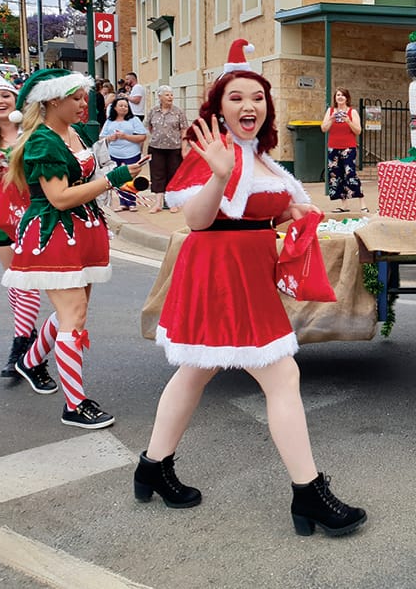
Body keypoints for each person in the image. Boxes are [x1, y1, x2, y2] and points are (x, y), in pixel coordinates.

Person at [134, 68, 367, 537]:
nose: (249, 105)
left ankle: (152, 467)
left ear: (267, 107)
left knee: (196, 370)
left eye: (257, 97)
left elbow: (259, 210)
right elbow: (198, 220)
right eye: (236, 97)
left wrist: (292, 211)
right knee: (281, 373)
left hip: (246, 273)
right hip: (220, 274)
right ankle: (309, 494)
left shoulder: (259, 155)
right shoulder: (213, 152)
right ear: (219, 106)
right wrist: (219, 175)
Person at [2, 68, 144, 429]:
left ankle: (31, 360)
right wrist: (113, 179)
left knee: (74, 313)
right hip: (54, 232)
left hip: (82, 230)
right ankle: (74, 405)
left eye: (84, 97)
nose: (85, 104)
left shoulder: (76, 133)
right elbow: (60, 198)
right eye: (77, 98)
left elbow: (83, 183)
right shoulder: (41, 142)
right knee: (74, 316)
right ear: (52, 100)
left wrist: (121, 181)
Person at [0, 74, 42, 379]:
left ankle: (20, 348)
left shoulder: (32, 132)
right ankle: (28, 339)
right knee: (14, 281)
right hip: (1, 218)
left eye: (5, 95)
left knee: (25, 281)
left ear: (15, 99)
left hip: (32, 214)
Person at [320, 88, 365, 213]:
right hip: (333, 147)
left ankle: (362, 204)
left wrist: (348, 121)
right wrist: (331, 119)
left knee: (350, 175)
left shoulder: (352, 112)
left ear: (347, 98)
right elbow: (324, 128)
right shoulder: (330, 111)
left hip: (348, 148)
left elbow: (358, 131)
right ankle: (344, 205)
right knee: (336, 175)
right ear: (335, 97)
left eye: (343, 95)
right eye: (338, 95)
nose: (340, 97)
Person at [145, 86, 188, 213]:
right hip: (156, 147)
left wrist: (184, 148)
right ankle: (158, 203)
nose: (170, 97)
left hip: (174, 148)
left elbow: (184, 129)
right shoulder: (153, 111)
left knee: (173, 174)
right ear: (160, 97)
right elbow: (149, 127)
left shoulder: (178, 112)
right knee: (157, 175)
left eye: (171, 95)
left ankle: (172, 202)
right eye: (167, 95)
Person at [100, 97, 148, 211]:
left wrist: (125, 136)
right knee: (117, 178)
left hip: (131, 153)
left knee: (130, 178)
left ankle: (131, 202)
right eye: (121, 105)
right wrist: (110, 138)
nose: (123, 108)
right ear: (115, 108)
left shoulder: (134, 120)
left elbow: (142, 136)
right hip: (113, 153)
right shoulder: (109, 121)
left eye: (126, 106)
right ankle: (122, 202)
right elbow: (101, 137)